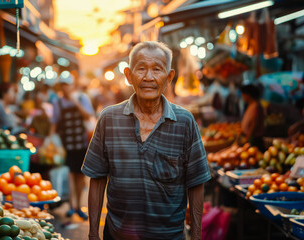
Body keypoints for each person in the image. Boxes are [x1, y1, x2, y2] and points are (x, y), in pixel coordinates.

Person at [82, 41, 211, 240]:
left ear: (169, 77)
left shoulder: (184, 122)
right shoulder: (109, 119)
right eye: (141, 69)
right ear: (128, 75)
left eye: (157, 69)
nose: (148, 77)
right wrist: (92, 234)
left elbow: (195, 182)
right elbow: (97, 178)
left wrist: (196, 237)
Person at [50, 75, 95, 220]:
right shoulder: (57, 102)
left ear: (72, 85)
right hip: (66, 145)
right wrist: (51, 140)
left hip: (82, 144)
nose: (64, 88)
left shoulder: (82, 98)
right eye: (62, 85)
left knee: (80, 176)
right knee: (69, 174)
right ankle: (71, 207)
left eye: (66, 84)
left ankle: (78, 207)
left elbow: (89, 116)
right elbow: (54, 122)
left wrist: (75, 102)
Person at [240, 84, 265, 151]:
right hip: (251, 138)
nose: (242, 97)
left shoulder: (255, 106)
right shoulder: (251, 105)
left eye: (243, 94)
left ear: (248, 95)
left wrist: (248, 138)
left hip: (255, 140)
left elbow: (254, 124)